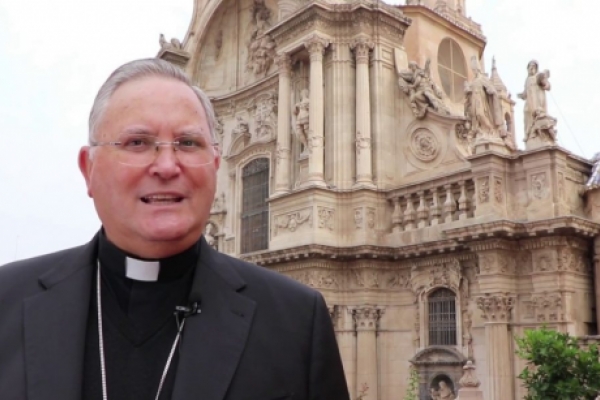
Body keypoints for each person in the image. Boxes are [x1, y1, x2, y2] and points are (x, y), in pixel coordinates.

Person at [0, 58, 349, 400]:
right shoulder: (6, 302)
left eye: (187, 143)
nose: (167, 166)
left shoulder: (296, 322)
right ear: (88, 169)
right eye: (137, 143)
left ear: (215, 165)